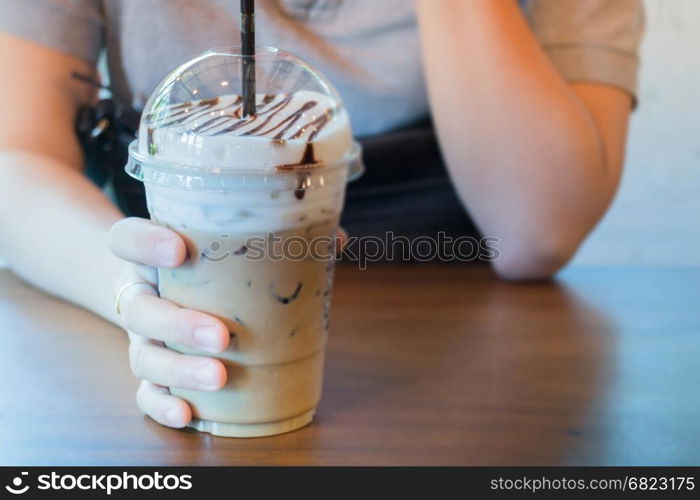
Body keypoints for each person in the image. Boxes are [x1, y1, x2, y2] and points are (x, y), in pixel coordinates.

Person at [0, 0, 644, 429]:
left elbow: (537, 232)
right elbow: (16, 159)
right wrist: (133, 294)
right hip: (169, 341)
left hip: (465, 371)